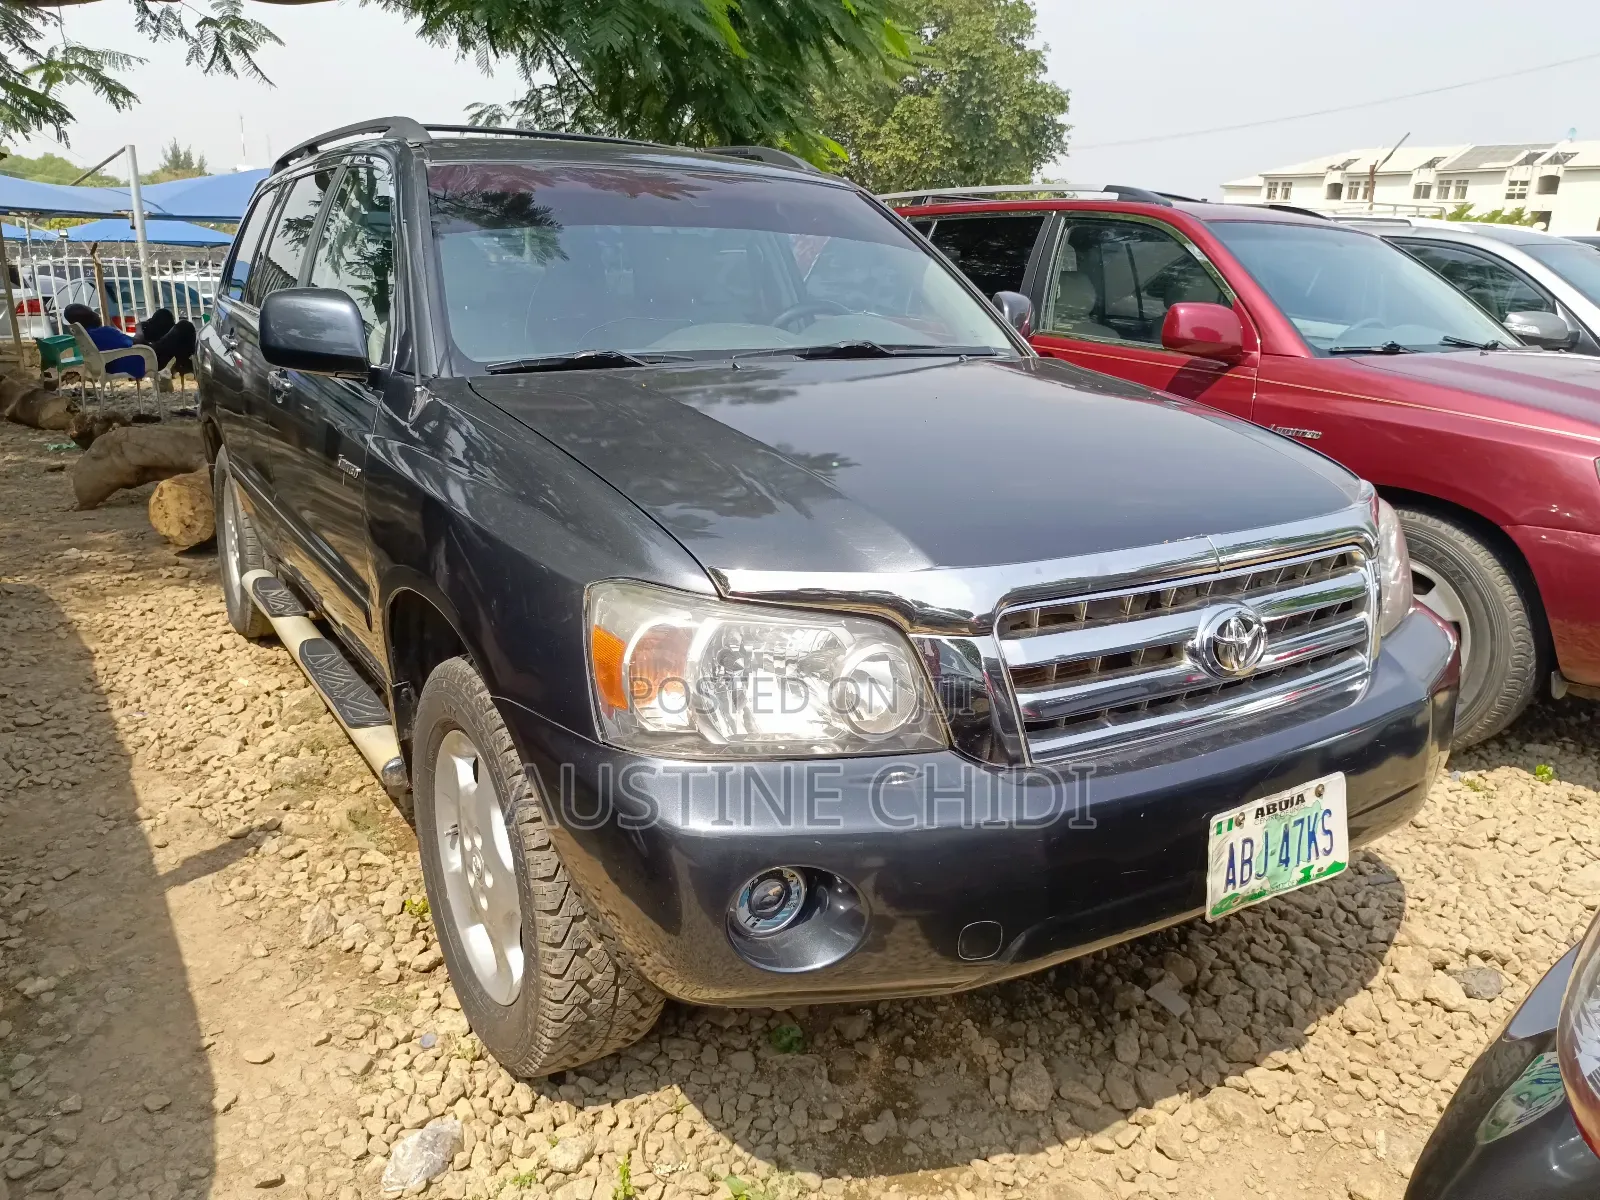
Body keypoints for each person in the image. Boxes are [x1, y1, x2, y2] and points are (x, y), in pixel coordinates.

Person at [63, 303, 197, 377]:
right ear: (88, 318)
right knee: (185, 327)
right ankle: (183, 363)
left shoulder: (88, 335)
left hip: (127, 358)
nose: (96, 314)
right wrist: (139, 328)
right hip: (146, 359)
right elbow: (137, 342)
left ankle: (182, 363)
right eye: (92, 312)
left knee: (163, 315)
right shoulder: (103, 332)